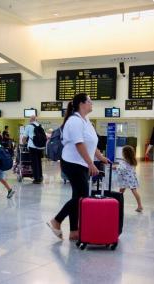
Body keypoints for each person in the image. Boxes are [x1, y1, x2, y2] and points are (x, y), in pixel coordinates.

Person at [47, 93, 109, 241]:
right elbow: (79, 144)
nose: (92, 104)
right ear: (82, 104)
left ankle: (74, 231)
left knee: (78, 196)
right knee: (82, 196)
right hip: (72, 163)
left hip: (81, 163)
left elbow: (90, 143)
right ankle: (57, 220)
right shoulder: (74, 121)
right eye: (90, 101)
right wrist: (91, 163)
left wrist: (101, 157)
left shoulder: (86, 120)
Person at [116, 145, 143, 212]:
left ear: (125, 153)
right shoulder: (133, 160)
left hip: (126, 179)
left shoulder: (124, 161)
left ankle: (117, 203)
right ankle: (140, 205)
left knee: (121, 191)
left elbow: (121, 169)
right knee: (133, 191)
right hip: (132, 179)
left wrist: (115, 167)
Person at [22, 115, 45, 184]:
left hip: (33, 147)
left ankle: (37, 179)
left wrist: (24, 143)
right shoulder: (41, 126)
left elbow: (24, 138)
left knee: (34, 163)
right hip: (40, 147)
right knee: (39, 162)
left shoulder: (28, 126)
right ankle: (40, 177)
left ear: (31, 120)